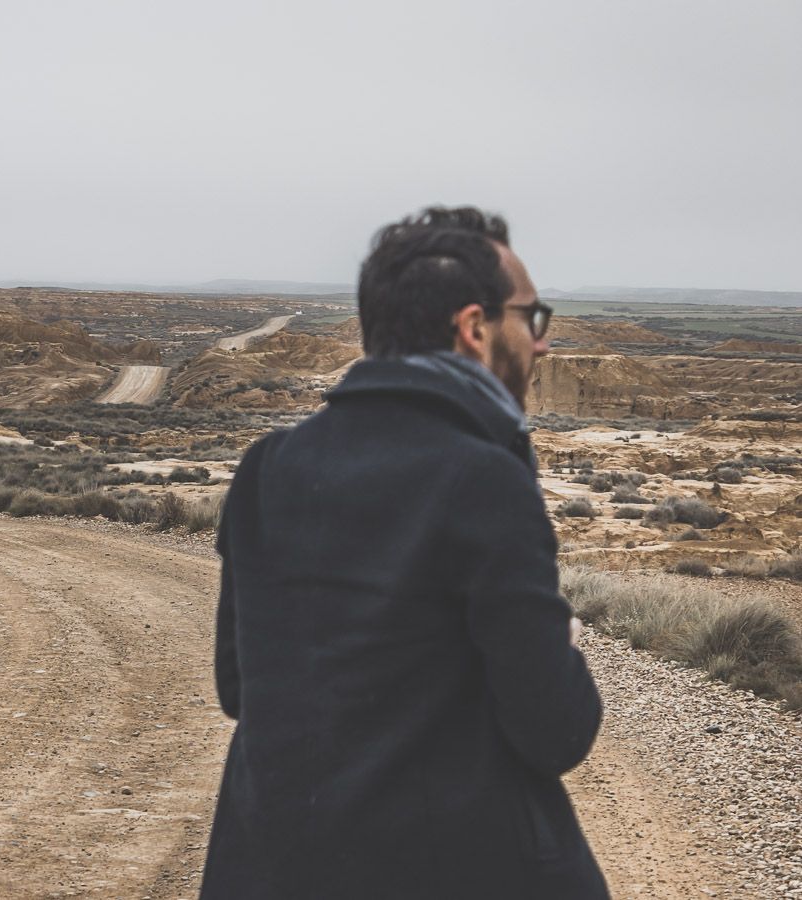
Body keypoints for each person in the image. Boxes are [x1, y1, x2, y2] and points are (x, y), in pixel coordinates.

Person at [200, 207, 607, 899]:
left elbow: (240, 689)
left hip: (265, 870)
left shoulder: (267, 466)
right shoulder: (483, 476)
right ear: (474, 328)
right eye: (531, 319)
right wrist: (559, 646)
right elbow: (555, 732)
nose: (541, 346)